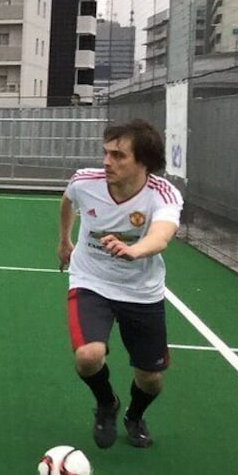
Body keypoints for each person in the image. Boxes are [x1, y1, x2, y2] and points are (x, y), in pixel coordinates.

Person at [57, 118, 183, 449]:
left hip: (142, 291)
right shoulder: (86, 182)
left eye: (118, 155)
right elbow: (67, 200)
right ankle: (106, 403)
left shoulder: (163, 194)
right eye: (106, 152)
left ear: (144, 162)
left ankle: (135, 415)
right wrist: (64, 240)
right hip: (90, 280)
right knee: (87, 355)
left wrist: (134, 250)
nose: (106, 161)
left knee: (151, 379)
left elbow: (162, 235)